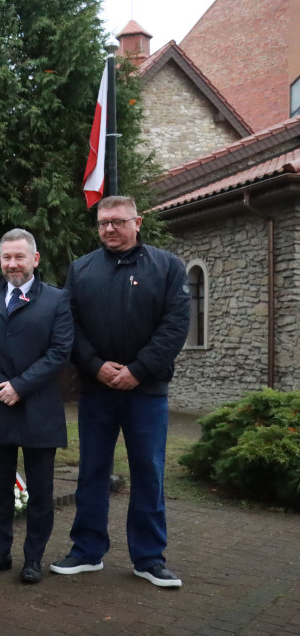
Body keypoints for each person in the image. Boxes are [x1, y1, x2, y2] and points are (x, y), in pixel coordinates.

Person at [50, 195, 190, 588]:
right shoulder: (81, 270)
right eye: (102, 223)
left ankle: (149, 558)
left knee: (149, 472)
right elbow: (69, 325)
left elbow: (176, 325)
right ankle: (86, 551)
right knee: (92, 470)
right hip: (97, 391)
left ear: (137, 222)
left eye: (117, 221)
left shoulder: (167, 267)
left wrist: (138, 370)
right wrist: (95, 365)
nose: (109, 229)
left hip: (147, 392)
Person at [0, 229, 73, 584]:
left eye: (19, 257)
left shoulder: (57, 300)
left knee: (41, 491)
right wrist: (2, 386)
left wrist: (20, 386)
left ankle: (33, 558)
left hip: (38, 409)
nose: (12, 264)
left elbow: (60, 352)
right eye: (6, 258)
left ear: (35, 259)